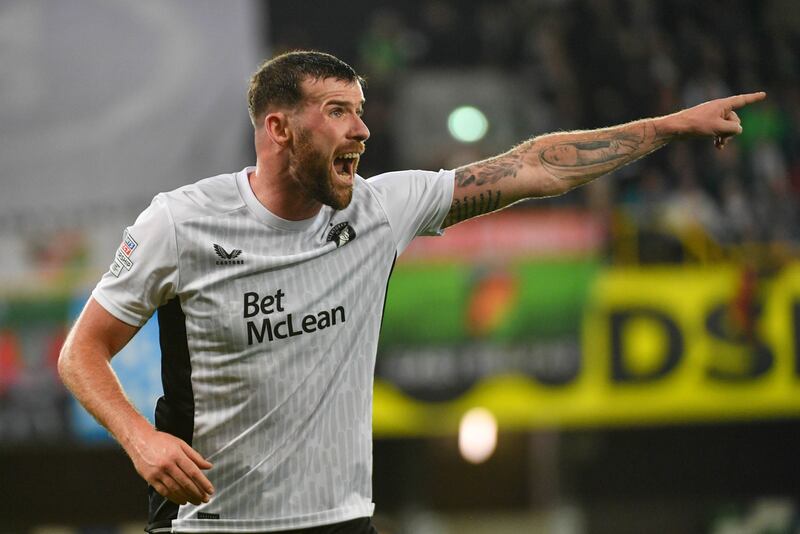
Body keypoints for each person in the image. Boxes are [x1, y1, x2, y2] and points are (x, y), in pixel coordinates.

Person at [57, 50, 765, 533]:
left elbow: (533, 167)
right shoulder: (180, 222)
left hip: (340, 519)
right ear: (278, 128)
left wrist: (666, 127)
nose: (361, 129)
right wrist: (142, 440)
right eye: (337, 111)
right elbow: (80, 352)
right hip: (212, 522)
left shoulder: (380, 209)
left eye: (361, 111)